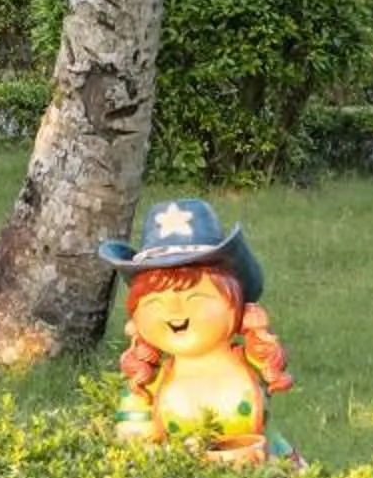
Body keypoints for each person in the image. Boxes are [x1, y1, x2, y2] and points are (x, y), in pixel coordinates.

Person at [99, 197, 295, 464]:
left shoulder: (249, 364)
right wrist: (177, 456)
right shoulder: (148, 386)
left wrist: (290, 467)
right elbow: (133, 442)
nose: (176, 312)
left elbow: (272, 437)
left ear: (236, 305)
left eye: (196, 299)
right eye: (156, 302)